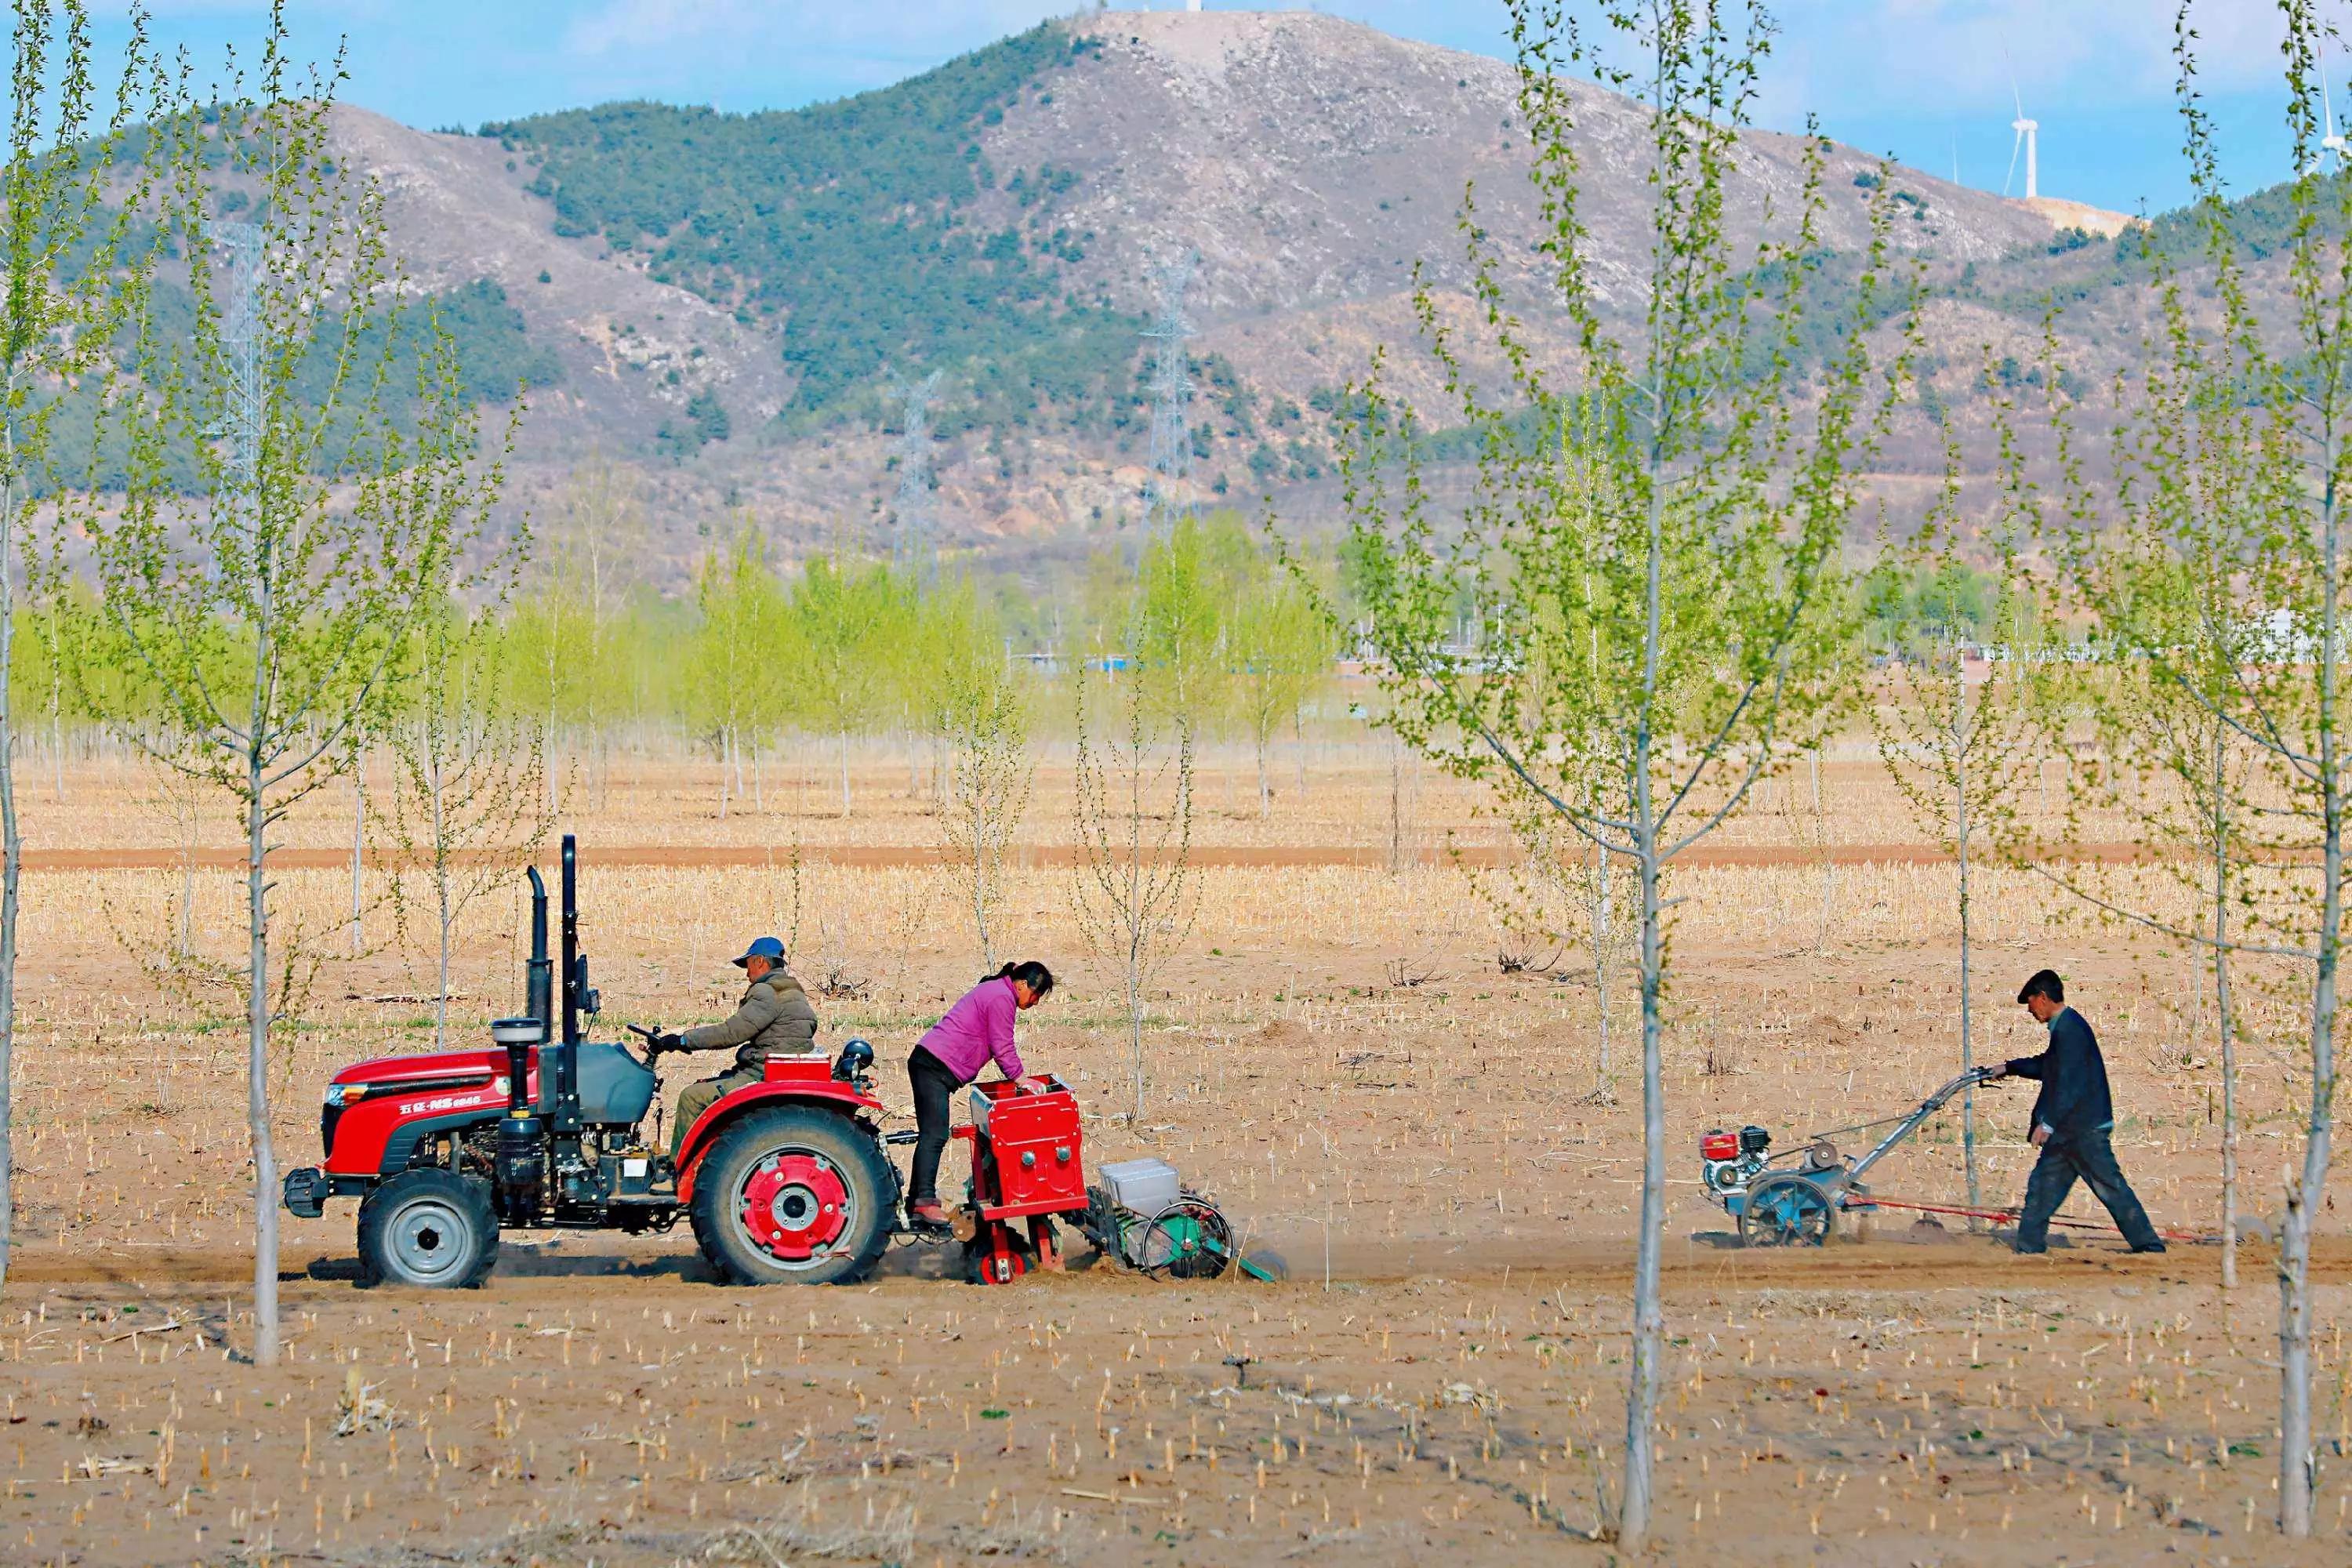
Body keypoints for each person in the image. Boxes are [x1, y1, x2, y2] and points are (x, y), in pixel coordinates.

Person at [1985, 969, 2165, 1255]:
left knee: (2110, 1188)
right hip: (2071, 1131)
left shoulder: (2070, 1030)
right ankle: (2029, 1249)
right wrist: (2009, 1067)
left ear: (2042, 998)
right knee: (2043, 1189)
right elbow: (2050, 1068)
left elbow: (2070, 1083)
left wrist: (2049, 1124)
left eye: (2030, 1002)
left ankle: (2150, 1247)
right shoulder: (2065, 1027)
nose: (2029, 1010)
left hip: (2083, 1130)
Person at [904, 960, 1055, 1228]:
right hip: (933, 1066)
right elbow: (1002, 1045)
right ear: (1022, 985)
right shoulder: (1000, 997)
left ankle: (918, 1199)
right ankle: (924, 1202)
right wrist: (1021, 1080)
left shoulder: (997, 991)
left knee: (932, 1133)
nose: (1035, 1002)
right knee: (935, 1134)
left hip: (930, 1063)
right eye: (1035, 995)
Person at [656, 937, 818, 1162]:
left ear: (761, 962)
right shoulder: (794, 992)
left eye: (748, 965)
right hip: (780, 1071)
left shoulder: (767, 992)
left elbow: (731, 1032)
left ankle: (679, 1171)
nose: (746, 973)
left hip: (762, 1074)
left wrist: (682, 1041)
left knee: (691, 1097)